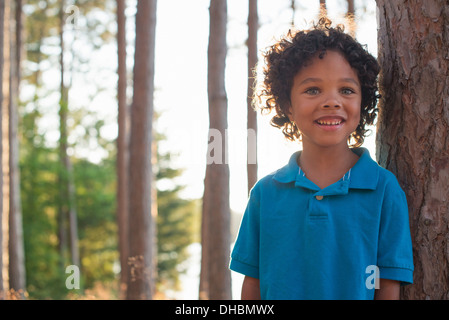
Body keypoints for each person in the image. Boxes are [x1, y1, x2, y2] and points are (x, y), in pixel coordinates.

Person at [229, 19, 414, 300]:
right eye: (313, 90)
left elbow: (387, 286)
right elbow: (251, 286)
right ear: (287, 105)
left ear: (362, 104)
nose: (331, 101)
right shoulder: (265, 194)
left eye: (347, 90)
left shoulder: (385, 190)